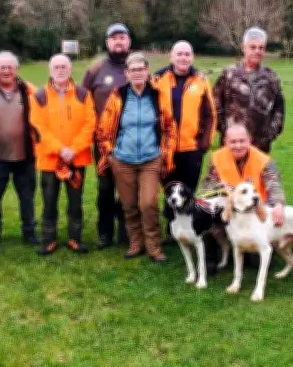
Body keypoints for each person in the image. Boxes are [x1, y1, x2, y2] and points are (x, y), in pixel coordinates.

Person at [96, 52, 177, 262]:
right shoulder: (118, 96)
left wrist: (164, 154)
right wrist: (110, 154)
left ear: (147, 71)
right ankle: (135, 243)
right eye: (133, 70)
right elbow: (103, 130)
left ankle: (154, 246)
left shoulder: (158, 95)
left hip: (150, 158)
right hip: (123, 160)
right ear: (126, 73)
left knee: (148, 203)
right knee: (129, 204)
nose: (138, 73)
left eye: (141, 69)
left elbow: (169, 127)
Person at [31, 54, 96, 255]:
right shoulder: (39, 96)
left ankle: (75, 239)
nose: (60, 70)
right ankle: (48, 240)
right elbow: (38, 127)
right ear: (50, 70)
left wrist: (73, 149)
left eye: (64, 66)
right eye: (56, 67)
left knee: (75, 201)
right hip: (50, 160)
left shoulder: (83, 94)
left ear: (70, 70)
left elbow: (90, 124)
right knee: (49, 200)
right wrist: (60, 149)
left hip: (76, 159)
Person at [154, 40, 216, 244]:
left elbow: (210, 115)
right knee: (169, 190)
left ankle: (188, 228)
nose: (183, 58)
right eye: (179, 54)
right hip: (166, 149)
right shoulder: (158, 78)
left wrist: (204, 144)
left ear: (193, 57)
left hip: (192, 149)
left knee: (188, 190)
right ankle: (170, 230)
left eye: (187, 54)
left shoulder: (201, 80)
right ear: (171, 56)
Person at [0, 51, 38, 247]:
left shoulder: (30, 92)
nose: (6, 70)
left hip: (25, 156)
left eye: (9, 67)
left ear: (16, 69)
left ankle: (29, 232)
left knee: (27, 197)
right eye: (1, 67)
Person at [82, 23, 130, 249]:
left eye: (122, 37)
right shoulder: (95, 69)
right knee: (105, 189)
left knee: (128, 189)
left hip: (130, 142)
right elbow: (82, 102)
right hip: (103, 144)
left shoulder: (136, 67)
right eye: (114, 38)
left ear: (128, 41)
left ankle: (126, 230)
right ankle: (104, 232)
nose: (118, 41)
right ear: (107, 42)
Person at [213, 27, 285, 153]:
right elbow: (215, 105)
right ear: (243, 48)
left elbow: (279, 109)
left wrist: (269, 135)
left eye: (261, 48)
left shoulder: (271, 78)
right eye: (253, 47)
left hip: (260, 148)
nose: (257, 51)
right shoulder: (229, 74)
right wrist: (226, 131)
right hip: (231, 145)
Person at [199, 123, 286, 224]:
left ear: (249, 140)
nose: (238, 146)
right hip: (230, 208)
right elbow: (206, 189)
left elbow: (275, 186)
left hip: (257, 209)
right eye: (233, 142)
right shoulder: (216, 158)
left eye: (242, 141)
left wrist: (278, 205)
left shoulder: (264, 161)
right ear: (225, 142)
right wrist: (219, 188)